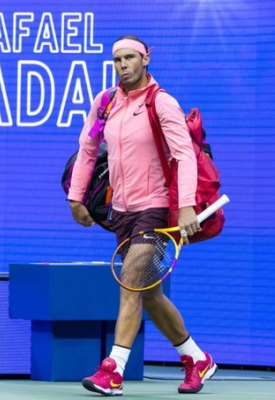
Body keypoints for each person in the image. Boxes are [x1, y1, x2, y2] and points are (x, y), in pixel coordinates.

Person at [67, 35, 217, 396]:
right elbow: (88, 150)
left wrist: (184, 207)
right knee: (149, 293)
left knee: (131, 281)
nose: (123, 65)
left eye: (130, 58)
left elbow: (183, 156)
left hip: (156, 209)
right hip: (122, 210)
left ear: (145, 59)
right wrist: (76, 198)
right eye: (117, 60)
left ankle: (112, 370)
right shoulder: (104, 103)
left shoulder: (162, 102)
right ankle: (196, 358)